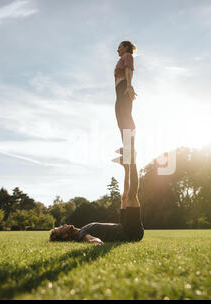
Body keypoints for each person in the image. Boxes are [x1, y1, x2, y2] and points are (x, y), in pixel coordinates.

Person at [49, 41, 143, 244]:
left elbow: (128, 70)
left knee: (125, 196)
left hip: (124, 227)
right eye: (60, 228)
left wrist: (128, 85)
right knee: (132, 195)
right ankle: (131, 156)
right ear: (65, 235)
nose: (63, 225)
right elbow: (96, 242)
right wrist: (90, 242)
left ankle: (128, 163)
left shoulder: (81, 229)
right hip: (129, 232)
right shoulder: (81, 235)